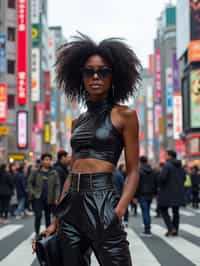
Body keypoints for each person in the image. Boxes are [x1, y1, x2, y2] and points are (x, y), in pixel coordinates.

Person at [34, 33, 140, 266]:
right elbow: (72, 173)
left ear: (114, 76)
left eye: (103, 71)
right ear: (79, 76)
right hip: (71, 206)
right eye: (88, 71)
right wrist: (55, 220)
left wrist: (118, 211)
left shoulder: (125, 116)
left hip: (103, 201)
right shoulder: (77, 122)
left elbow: (133, 171)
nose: (95, 77)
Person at [28, 153, 60, 235]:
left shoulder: (54, 172)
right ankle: (37, 233)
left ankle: (47, 234)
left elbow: (57, 185)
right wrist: (33, 193)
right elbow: (29, 183)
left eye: (49, 160)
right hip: (38, 198)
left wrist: (56, 197)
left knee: (48, 217)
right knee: (38, 216)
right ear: (42, 161)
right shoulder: (35, 172)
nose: (48, 161)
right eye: (46, 160)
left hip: (49, 198)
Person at [158, 150, 185, 237]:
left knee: (163, 209)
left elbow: (162, 178)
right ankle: (175, 230)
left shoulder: (167, 166)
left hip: (167, 192)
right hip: (178, 192)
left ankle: (171, 228)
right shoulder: (181, 166)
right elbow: (184, 178)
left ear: (170, 156)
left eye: (166, 155)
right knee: (175, 211)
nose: (165, 156)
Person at [135, 156, 157, 237]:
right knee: (147, 211)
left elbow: (137, 185)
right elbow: (155, 182)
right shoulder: (152, 171)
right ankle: (148, 229)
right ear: (147, 161)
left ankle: (147, 230)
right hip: (150, 194)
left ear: (140, 161)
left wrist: (135, 196)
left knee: (145, 212)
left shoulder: (139, 171)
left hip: (142, 194)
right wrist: (155, 193)